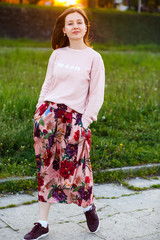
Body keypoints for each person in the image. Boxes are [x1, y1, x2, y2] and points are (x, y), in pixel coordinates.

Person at [24, 6, 105, 240]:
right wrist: (39, 113)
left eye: (79, 22)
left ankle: (88, 206)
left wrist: (85, 122)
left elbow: (96, 94)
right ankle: (42, 223)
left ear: (86, 26)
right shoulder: (57, 54)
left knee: (78, 171)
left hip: (75, 120)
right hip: (48, 118)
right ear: (64, 29)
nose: (75, 26)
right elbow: (47, 85)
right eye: (70, 23)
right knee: (46, 170)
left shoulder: (94, 58)